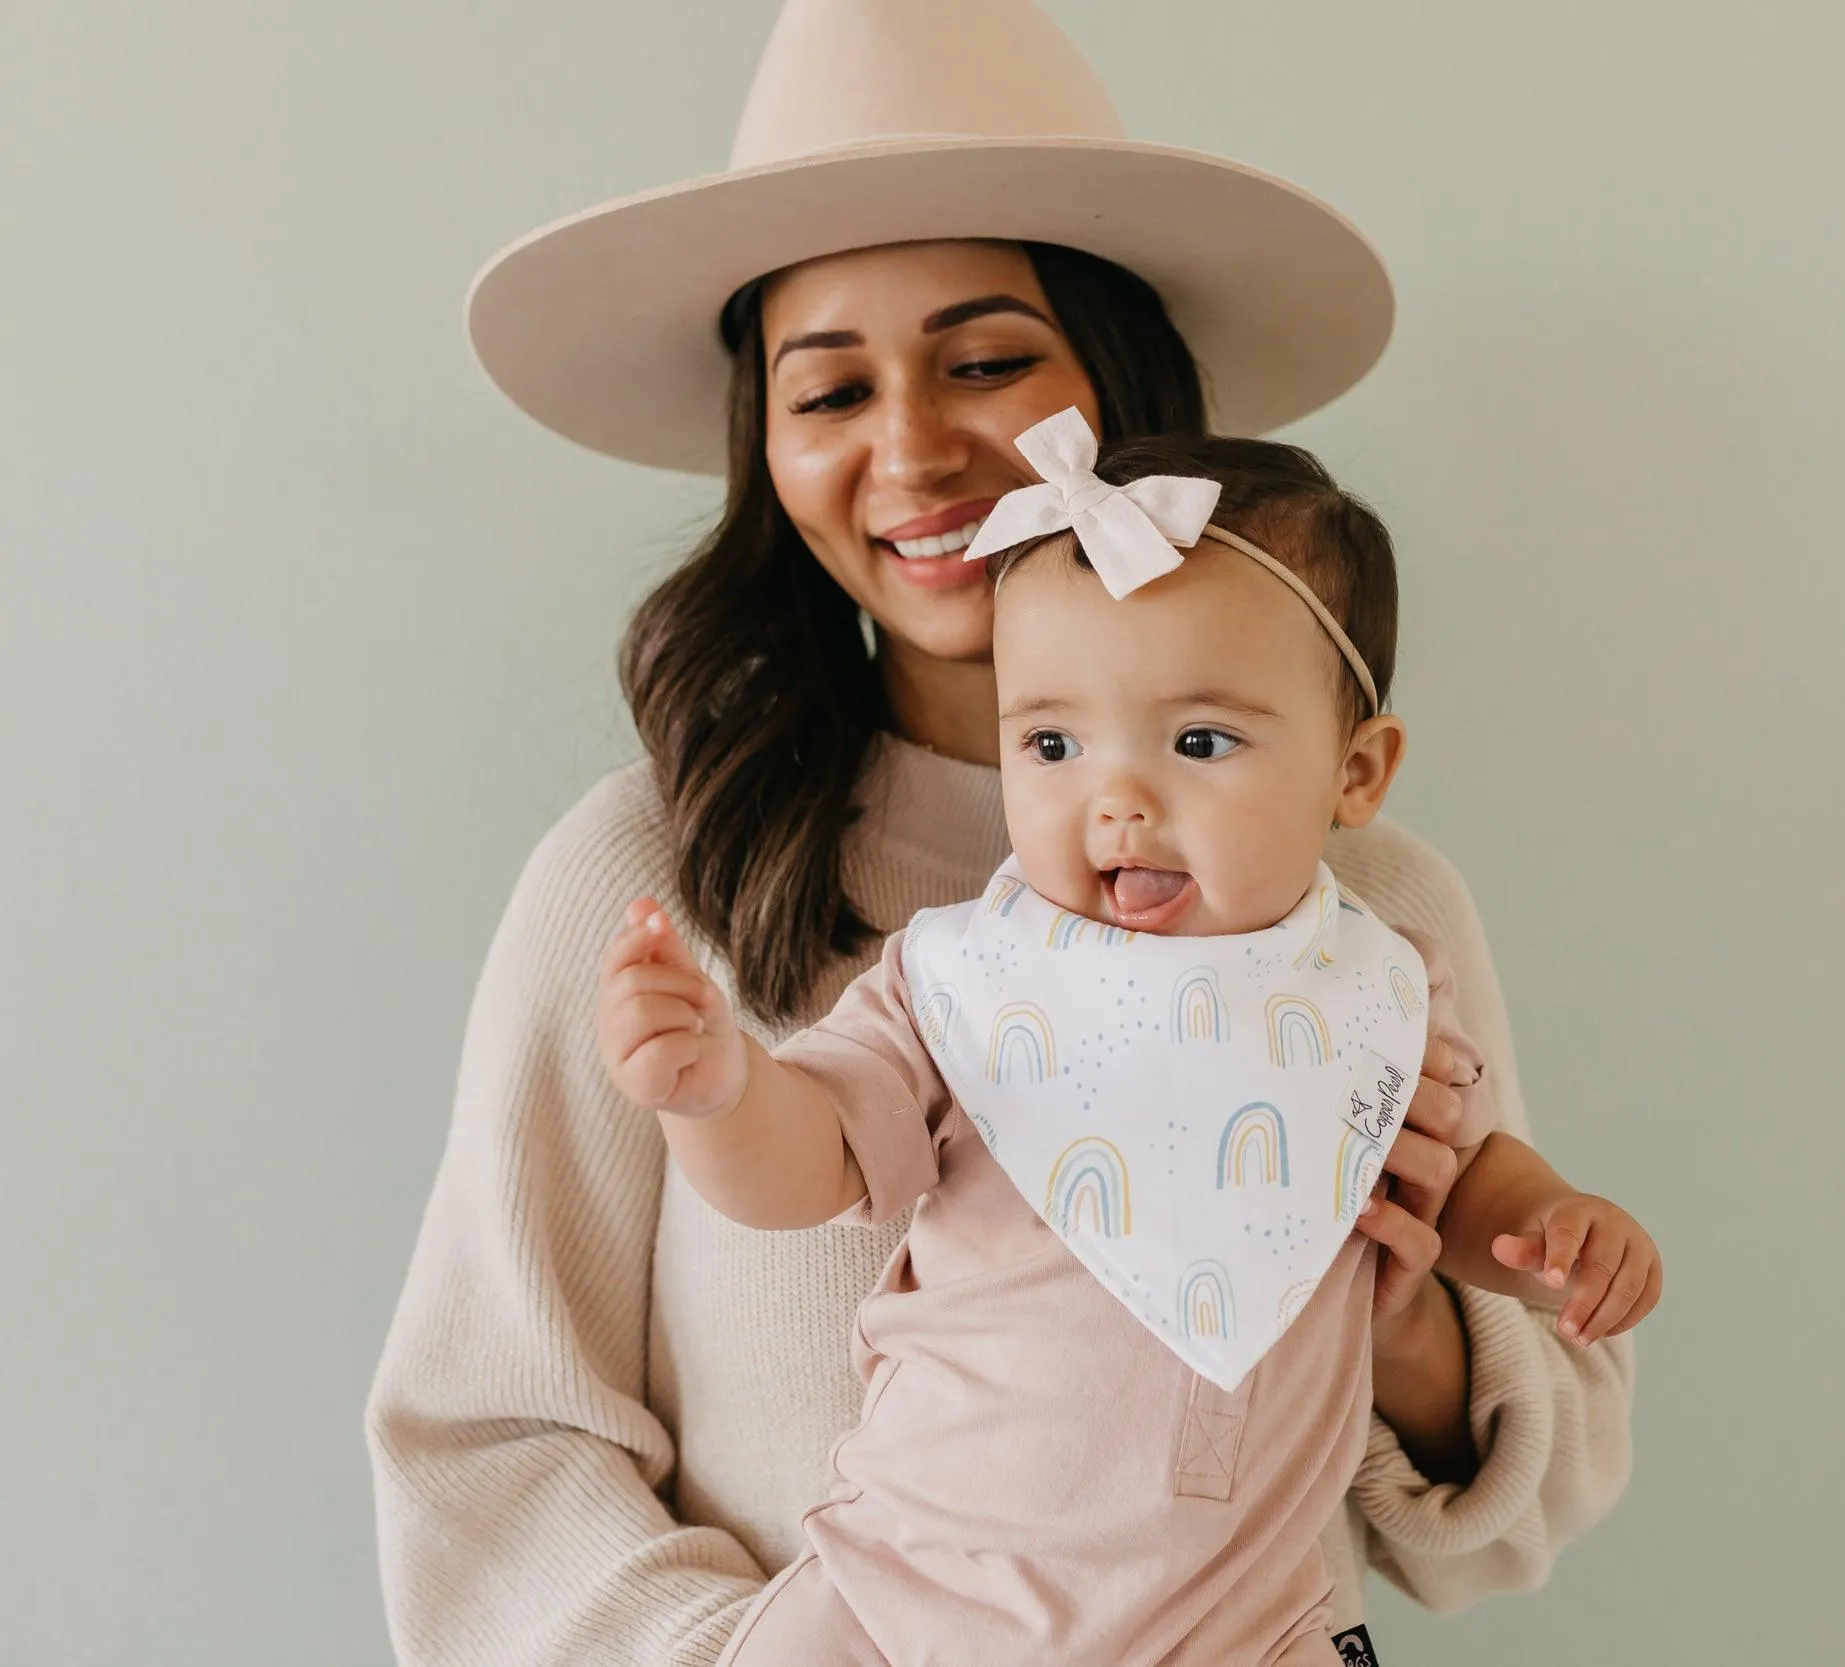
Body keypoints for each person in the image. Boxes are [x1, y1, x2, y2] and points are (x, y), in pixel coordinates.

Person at [366, 3, 1635, 1661]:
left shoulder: (1363, 915)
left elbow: (1529, 1499)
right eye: (829, 390)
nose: (912, 447)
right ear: (765, 448)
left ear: (1122, 391)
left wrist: (1395, 1327)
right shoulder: (651, 885)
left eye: (986, 361)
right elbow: (491, 1442)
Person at [595, 423, 1662, 1664]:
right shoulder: (963, 983)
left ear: (1356, 773)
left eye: (1199, 742)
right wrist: (720, 1091)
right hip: (912, 1601)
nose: (1117, 798)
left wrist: (1552, 1230)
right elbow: (806, 1160)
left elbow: (1468, 1178)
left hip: (1239, 1625)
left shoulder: (1373, 980)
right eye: (1051, 743)